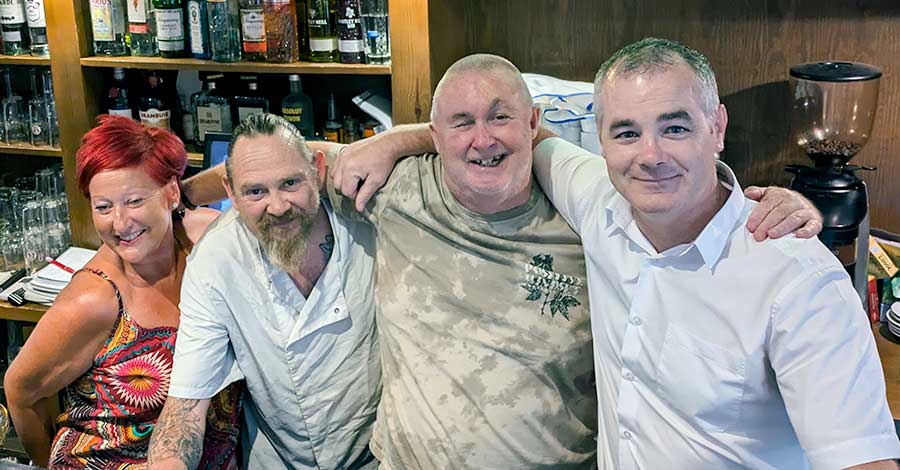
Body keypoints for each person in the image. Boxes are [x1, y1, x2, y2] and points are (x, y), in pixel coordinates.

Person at [180, 55, 820, 469]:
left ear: (535, 124)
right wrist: (175, 197)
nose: (483, 139)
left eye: (501, 117)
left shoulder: (592, 215)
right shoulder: (394, 191)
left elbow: (678, 203)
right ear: (434, 136)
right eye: (461, 122)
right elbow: (286, 163)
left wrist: (759, 206)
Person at [528, 38, 900, 469]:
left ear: (717, 128)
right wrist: (433, 131)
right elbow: (521, 135)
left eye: (675, 128)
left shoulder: (799, 281)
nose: (650, 156)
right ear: (603, 142)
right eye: (627, 132)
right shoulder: (597, 200)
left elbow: (862, 462)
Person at [4, 115, 241, 469]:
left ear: (172, 193)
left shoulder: (204, 239)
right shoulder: (93, 299)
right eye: (103, 207)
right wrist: (45, 462)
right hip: (107, 460)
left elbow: (277, 171)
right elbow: (20, 390)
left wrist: (191, 190)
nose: (120, 223)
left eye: (134, 200)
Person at [147, 114, 380, 470]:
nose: (278, 207)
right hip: (278, 461)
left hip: (380, 455)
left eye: (290, 183)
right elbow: (186, 406)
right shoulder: (216, 259)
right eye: (255, 191)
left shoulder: (369, 221)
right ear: (230, 192)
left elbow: (439, 147)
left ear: (318, 170)